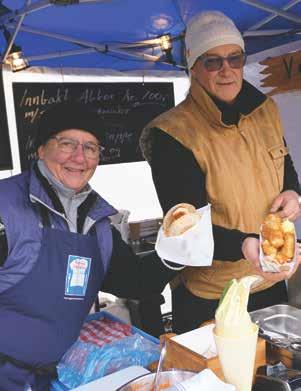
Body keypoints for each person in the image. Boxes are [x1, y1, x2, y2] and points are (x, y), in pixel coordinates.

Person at [0, 102, 182, 390]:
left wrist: (181, 251)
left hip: (53, 377)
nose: (79, 157)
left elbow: (136, 282)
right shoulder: (6, 208)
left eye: (91, 147)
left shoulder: (98, 224)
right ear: (41, 149)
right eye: (67, 143)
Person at [140, 11, 301, 334]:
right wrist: (243, 244)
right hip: (212, 293)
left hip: (269, 282)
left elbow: (284, 166)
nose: (226, 69)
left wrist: (293, 193)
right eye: (212, 61)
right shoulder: (171, 134)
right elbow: (187, 229)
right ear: (194, 68)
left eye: (234, 58)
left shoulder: (266, 110)